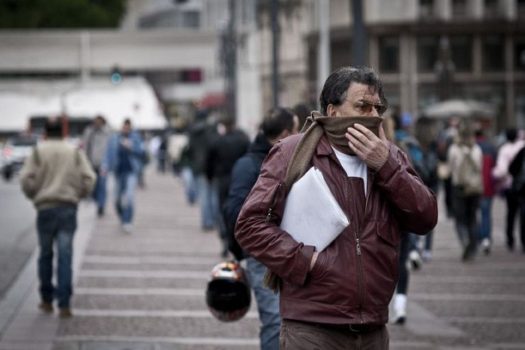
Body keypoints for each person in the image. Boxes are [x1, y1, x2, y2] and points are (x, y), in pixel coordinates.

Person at [235, 66, 437, 349]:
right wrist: (307, 261)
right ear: (332, 111)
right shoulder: (292, 152)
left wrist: (387, 167)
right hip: (313, 327)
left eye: (377, 108)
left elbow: (426, 216)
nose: (372, 115)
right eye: (362, 106)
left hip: (373, 328)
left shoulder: (391, 156)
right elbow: (249, 225)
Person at [223, 107, 299, 350]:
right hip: (263, 254)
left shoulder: (291, 159)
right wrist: (244, 250)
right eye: (297, 130)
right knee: (275, 321)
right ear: (285, 134)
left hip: (291, 251)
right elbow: (234, 212)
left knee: (294, 322)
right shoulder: (250, 165)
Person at [20, 118, 96, 318]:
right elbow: (90, 178)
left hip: (45, 207)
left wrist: (34, 195)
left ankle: (46, 300)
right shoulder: (73, 151)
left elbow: (26, 178)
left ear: (45, 133)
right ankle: (64, 303)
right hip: (67, 207)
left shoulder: (38, 151)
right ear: (62, 132)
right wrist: (79, 194)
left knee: (45, 254)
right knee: (66, 256)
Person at [447, 121, 483, 262]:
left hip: (459, 187)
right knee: (473, 218)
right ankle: (473, 247)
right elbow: (479, 168)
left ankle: (465, 241)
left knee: (460, 219)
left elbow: (450, 168)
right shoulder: (477, 149)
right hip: (474, 188)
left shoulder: (454, 149)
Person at [104, 119, 145, 233]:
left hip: (131, 171)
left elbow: (142, 152)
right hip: (118, 172)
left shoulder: (135, 138)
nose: (126, 129)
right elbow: (108, 153)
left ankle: (128, 221)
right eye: (124, 127)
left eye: (128, 127)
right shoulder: (114, 138)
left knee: (129, 197)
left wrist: (131, 147)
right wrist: (105, 166)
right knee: (116, 199)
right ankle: (122, 217)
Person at [492, 128, 525, 252]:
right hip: (523, 186)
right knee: (523, 214)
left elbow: (501, 170)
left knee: (511, 213)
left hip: (510, 186)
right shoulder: (522, 147)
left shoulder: (504, 149)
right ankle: (523, 240)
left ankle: (510, 239)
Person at [82, 115, 111, 217]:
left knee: (102, 185)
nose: (97, 124)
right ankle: (96, 200)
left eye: (99, 122)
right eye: (95, 122)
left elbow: (110, 148)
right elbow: (84, 146)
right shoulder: (89, 131)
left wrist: (109, 162)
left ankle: (101, 206)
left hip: (103, 164)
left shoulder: (107, 132)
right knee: (93, 186)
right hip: (90, 163)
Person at [475, 129, 497, 254]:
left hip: (474, 186)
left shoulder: (472, 147)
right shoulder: (490, 147)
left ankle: (478, 238)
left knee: (475, 214)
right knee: (486, 214)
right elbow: (496, 167)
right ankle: (486, 239)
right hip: (488, 186)